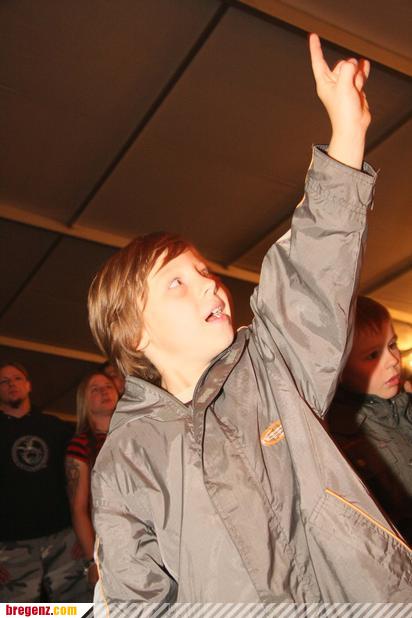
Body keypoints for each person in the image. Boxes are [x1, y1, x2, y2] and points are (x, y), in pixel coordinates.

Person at [87, 33, 412, 606]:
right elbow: (138, 596)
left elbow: (311, 269)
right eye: (176, 283)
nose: (208, 283)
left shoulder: (272, 365)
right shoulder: (128, 457)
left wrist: (347, 131)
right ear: (136, 333)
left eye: (204, 271)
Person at [0, 362, 89, 602]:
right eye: (4, 381)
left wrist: (82, 533)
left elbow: (79, 482)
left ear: (28, 385)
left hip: (62, 538)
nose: (11, 384)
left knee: (77, 608)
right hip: (11, 546)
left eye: (17, 378)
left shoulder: (56, 427)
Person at [327, 296, 412, 544]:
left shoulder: (407, 403)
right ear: (340, 369)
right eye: (373, 355)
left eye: (392, 345)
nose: (393, 360)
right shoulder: (341, 434)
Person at [65, 372, 119, 590]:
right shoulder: (81, 445)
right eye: (95, 389)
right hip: (108, 542)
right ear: (85, 401)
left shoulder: (134, 433)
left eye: (108, 386)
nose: (104, 391)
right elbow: (78, 508)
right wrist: (92, 560)